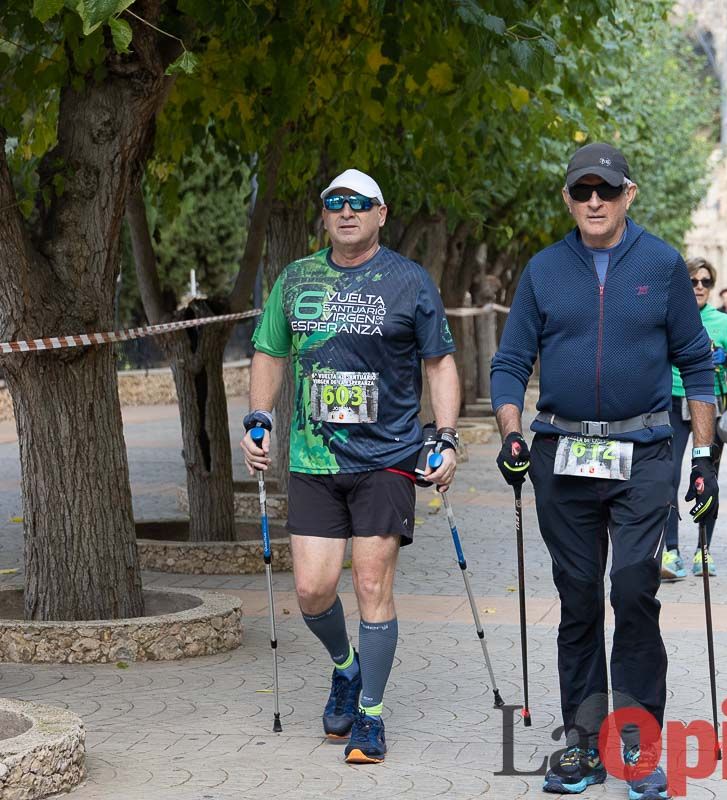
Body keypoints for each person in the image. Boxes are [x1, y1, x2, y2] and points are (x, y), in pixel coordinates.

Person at [490, 143, 717, 799]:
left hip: (642, 452)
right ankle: (584, 749)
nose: (594, 201)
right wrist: (511, 434)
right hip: (562, 457)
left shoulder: (662, 266)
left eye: (606, 191)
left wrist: (701, 463)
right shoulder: (543, 270)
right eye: (582, 190)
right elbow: (509, 365)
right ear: (568, 197)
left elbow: (696, 366)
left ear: (628, 196)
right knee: (580, 601)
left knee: (634, 592)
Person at [240, 168, 461, 765]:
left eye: (359, 204)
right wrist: (258, 418)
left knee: (370, 585)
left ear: (381, 213)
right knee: (312, 590)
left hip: (387, 458)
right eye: (335, 203)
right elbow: (269, 350)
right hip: (314, 459)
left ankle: (370, 715)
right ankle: (345, 665)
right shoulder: (296, 279)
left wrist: (445, 437)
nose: (346, 212)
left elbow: (439, 363)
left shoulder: (409, 281)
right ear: (325, 213)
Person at [660, 258, 727, 581]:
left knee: (705, 478)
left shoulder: (723, 323)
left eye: (705, 282)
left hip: (709, 403)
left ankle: (703, 550)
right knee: (667, 476)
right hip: (672, 400)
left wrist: (724, 359)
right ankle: (670, 550)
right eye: (693, 280)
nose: (698, 287)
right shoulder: (669, 315)